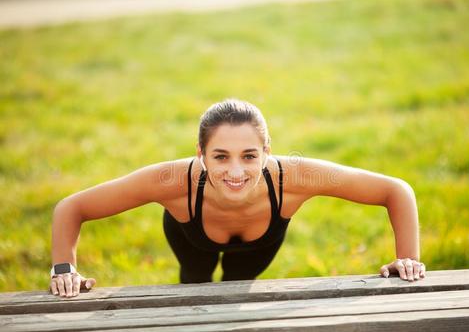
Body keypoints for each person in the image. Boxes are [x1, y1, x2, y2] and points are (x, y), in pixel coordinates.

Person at [50, 99, 425, 298]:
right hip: (190, 233)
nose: (235, 171)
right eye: (220, 156)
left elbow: (396, 190)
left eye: (249, 155)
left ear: (266, 151)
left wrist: (407, 259)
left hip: (259, 242)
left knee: (238, 285)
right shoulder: (169, 180)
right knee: (195, 285)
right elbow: (73, 207)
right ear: (200, 153)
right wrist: (65, 270)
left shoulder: (296, 176)